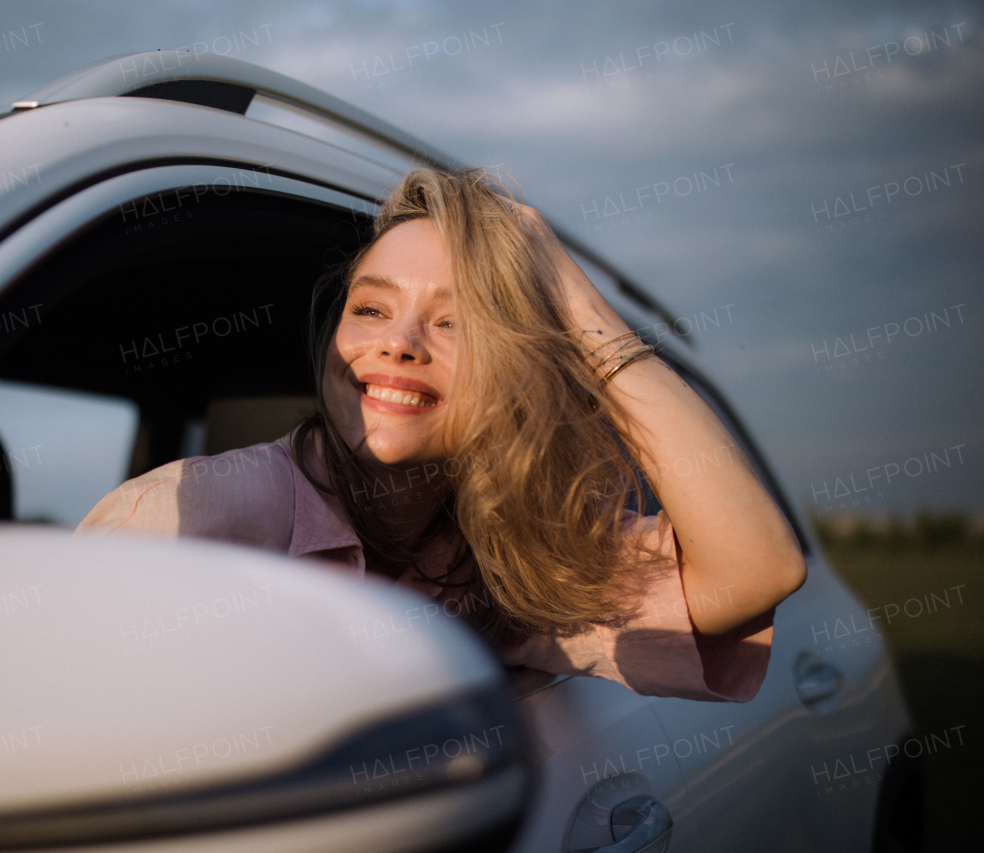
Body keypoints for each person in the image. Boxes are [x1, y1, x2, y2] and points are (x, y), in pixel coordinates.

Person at [77, 168, 806, 702]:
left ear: (516, 373)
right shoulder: (186, 513)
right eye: (369, 309)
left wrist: (576, 303)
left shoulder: (515, 558)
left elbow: (759, 571)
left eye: (455, 321)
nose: (398, 342)